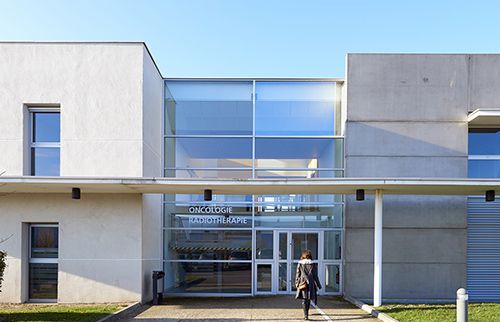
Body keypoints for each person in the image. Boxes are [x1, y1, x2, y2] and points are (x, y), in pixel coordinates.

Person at [295, 249, 321, 320]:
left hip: (303, 282)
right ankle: (307, 313)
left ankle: (305, 315)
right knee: (308, 299)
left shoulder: (300, 263)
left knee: (304, 299)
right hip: (311, 283)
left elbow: (298, 274)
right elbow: (315, 276)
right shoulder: (313, 264)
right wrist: (319, 285)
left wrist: (297, 283)